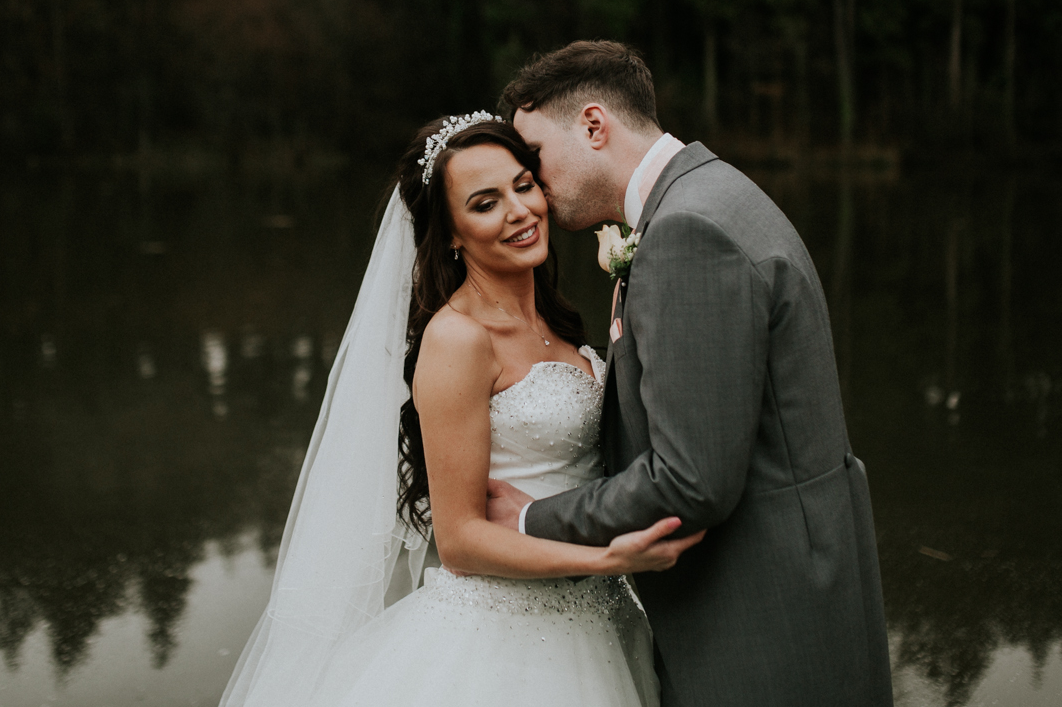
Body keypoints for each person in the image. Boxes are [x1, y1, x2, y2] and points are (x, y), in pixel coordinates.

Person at [219, 112, 700, 707]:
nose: (520, 211)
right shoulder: (458, 340)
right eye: (484, 203)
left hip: (602, 621)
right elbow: (462, 540)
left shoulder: (556, 320)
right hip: (507, 642)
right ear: (450, 232)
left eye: (524, 185)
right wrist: (607, 557)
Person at [487, 41, 895, 706]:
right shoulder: (711, 192)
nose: (529, 184)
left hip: (760, 623)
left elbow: (690, 481)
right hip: (797, 586)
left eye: (533, 159)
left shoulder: (687, 232)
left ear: (594, 126)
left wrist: (535, 521)